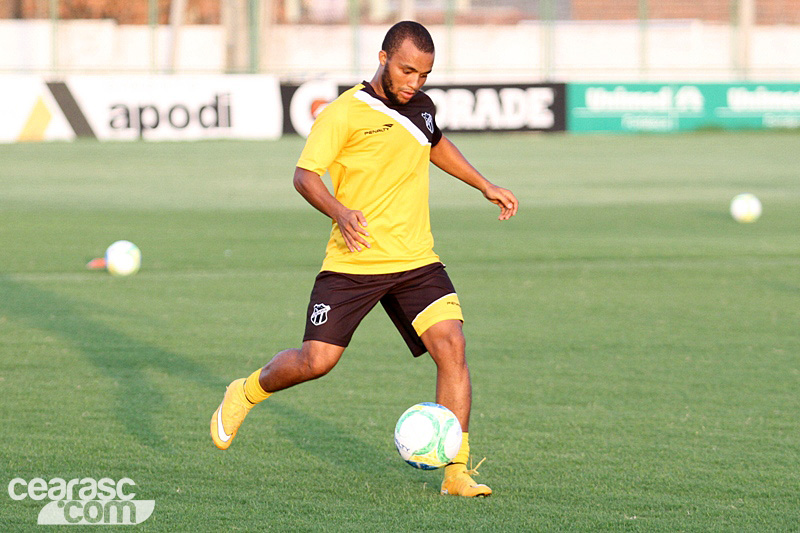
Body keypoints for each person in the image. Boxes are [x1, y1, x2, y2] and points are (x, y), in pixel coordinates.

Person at [210, 20, 518, 498]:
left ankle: (455, 473)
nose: (414, 83)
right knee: (316, 361)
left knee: (452, 347)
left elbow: (435, 144)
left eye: (424, 75)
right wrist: (339, 209)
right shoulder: (344, 113)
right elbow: (304, 176)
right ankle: (246, 390)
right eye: (407, 71)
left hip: (416, 260)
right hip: (354, 263)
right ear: (382, 57)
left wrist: (485, 184)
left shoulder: (421, 108)